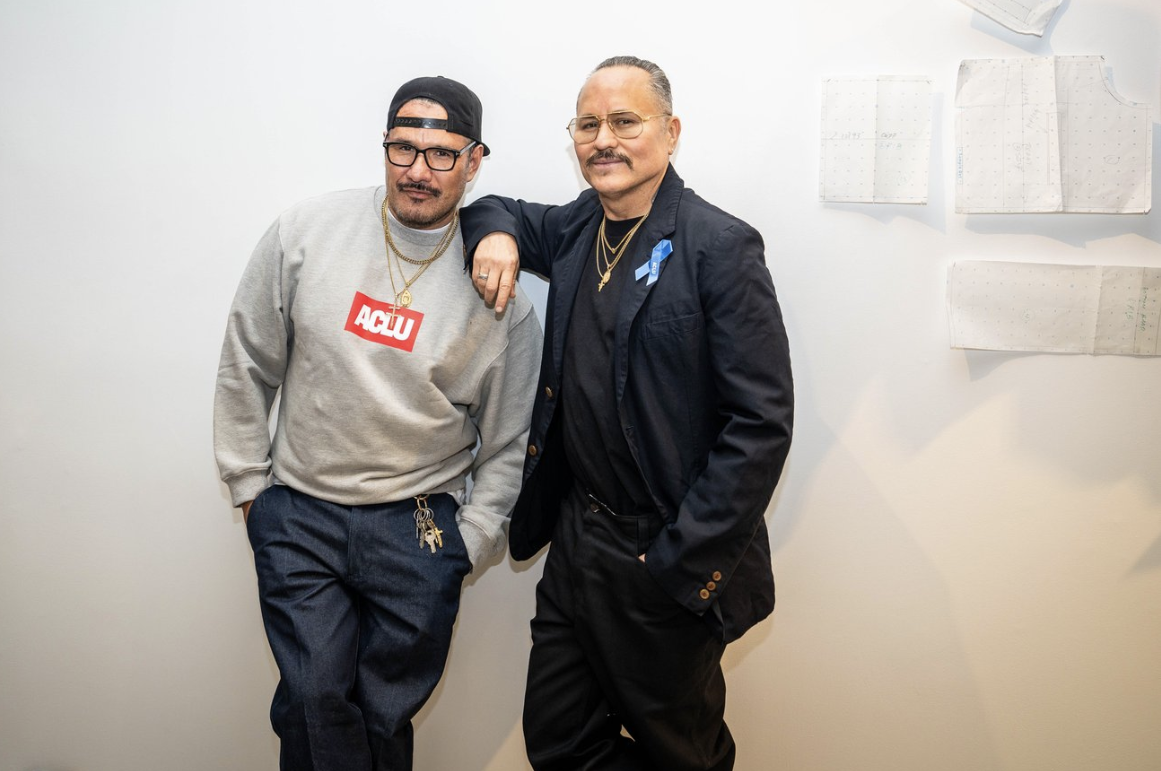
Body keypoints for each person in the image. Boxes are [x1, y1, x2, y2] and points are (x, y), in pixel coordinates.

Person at [461, 56, 794, 771]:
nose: (603, 139)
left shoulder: (721, 247)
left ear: (670, 133)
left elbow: (761, 425)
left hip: (662, 553)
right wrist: (495, 235)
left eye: (624, 121)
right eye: (588, 124)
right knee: (560, 742)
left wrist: (675, 565)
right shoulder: (585, 225)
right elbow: (498, 208)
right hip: (578, 541)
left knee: (682, 754)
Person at [213, 75, 542, 771]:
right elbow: (247, 358)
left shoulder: (502, 298)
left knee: (382, 716)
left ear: (476, 161)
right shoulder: (306, 232)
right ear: (384, 146)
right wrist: (249, 487)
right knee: (313, 698)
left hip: (419, 529)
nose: (418, 171)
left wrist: (470, 541)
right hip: (301, 512)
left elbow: (509, 443)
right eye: (403, 148)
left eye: (441, 154)